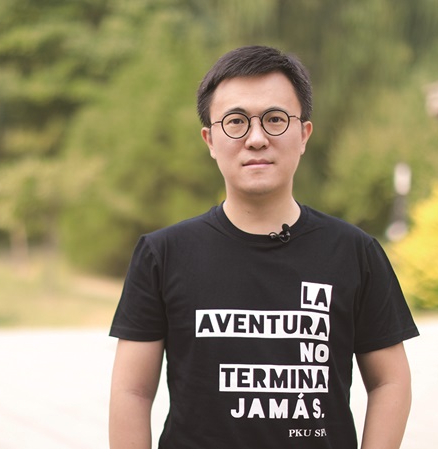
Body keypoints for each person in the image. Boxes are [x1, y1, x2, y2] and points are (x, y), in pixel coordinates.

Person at [109, 45, 419, 449]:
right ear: (210, 140)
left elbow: (390, 381)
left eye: (275, 119)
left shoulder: (354, 253)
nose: (256, 139)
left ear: (303, 134)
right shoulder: (163, 255)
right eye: (236, 122)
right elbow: (132, 391)